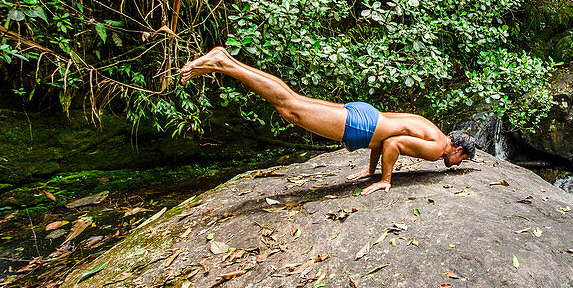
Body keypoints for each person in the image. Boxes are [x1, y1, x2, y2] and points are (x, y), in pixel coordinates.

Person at [179, 47, 477, 195]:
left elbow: (390, 136)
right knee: (291, 107)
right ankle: (224, 63)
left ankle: (226, 62)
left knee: (294, 103)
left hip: (368, 116)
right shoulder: (438, 147)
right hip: (363, 126)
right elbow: (394, 143)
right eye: (461, 160)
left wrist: (370, 171)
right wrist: (385, 180)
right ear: (459, 150)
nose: (457, 163)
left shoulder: (435, 131)